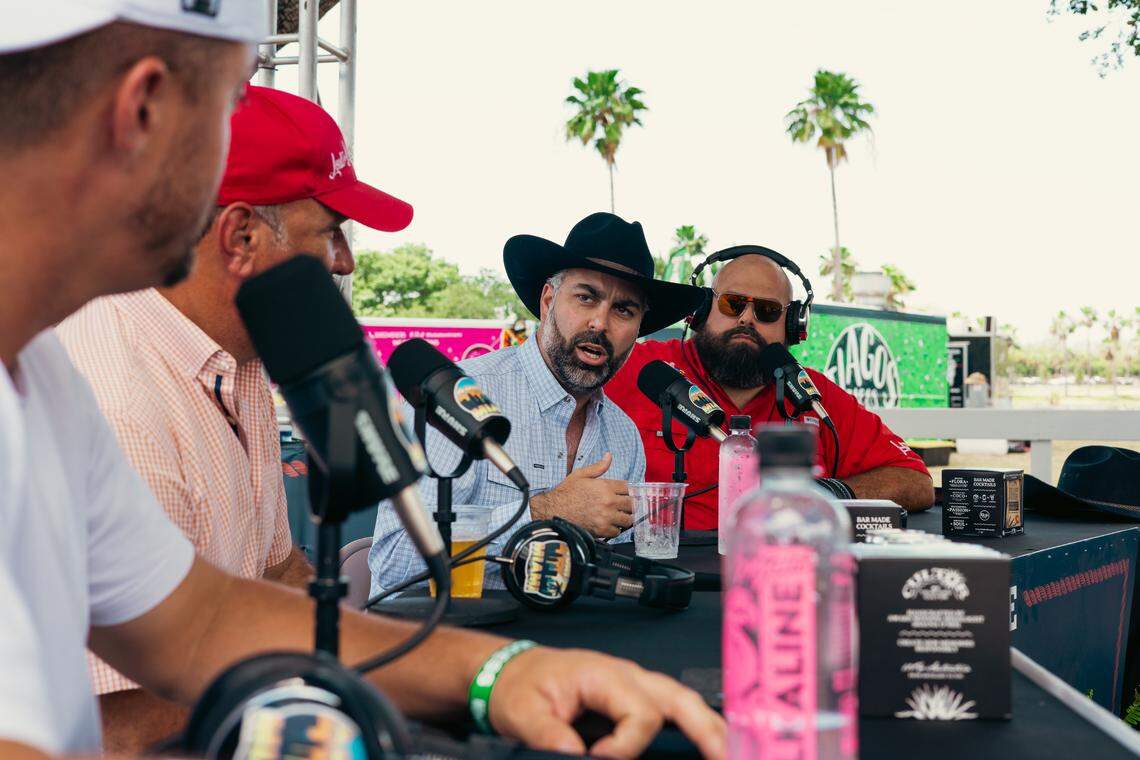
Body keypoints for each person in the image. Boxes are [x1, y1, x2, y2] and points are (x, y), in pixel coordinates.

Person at [0, 8, 725, 760]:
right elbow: (118, 730)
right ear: (143, 113)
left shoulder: (61, 373)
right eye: (229, 104)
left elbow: (204, 620)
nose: (346, 262)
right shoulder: (111, 384)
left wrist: (501, 674)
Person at [55, 84, 418, 753]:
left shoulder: (242, 355)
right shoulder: (114, 400)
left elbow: (278, 576)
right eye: (331, 233)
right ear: (241, 236)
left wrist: (444, 673)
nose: (346, 261)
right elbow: (125, 731)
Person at [370, 212, 706, 596]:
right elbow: (395, 562)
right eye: (586, 297)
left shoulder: (624, 437)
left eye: (623, 310)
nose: (600, 322)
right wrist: (545, 513)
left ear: (637, 330)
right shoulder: (460, 397)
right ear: (548, 301)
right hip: (444, 640)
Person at [606, 248, 935, 530]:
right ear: (700, 312)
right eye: (732, 304)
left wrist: (825, 496)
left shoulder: (815, 396)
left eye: (767, 311)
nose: (747, 319)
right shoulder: (637, 368)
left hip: (775, 570)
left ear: (794, 325)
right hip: (663, 572)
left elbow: (915, 481)